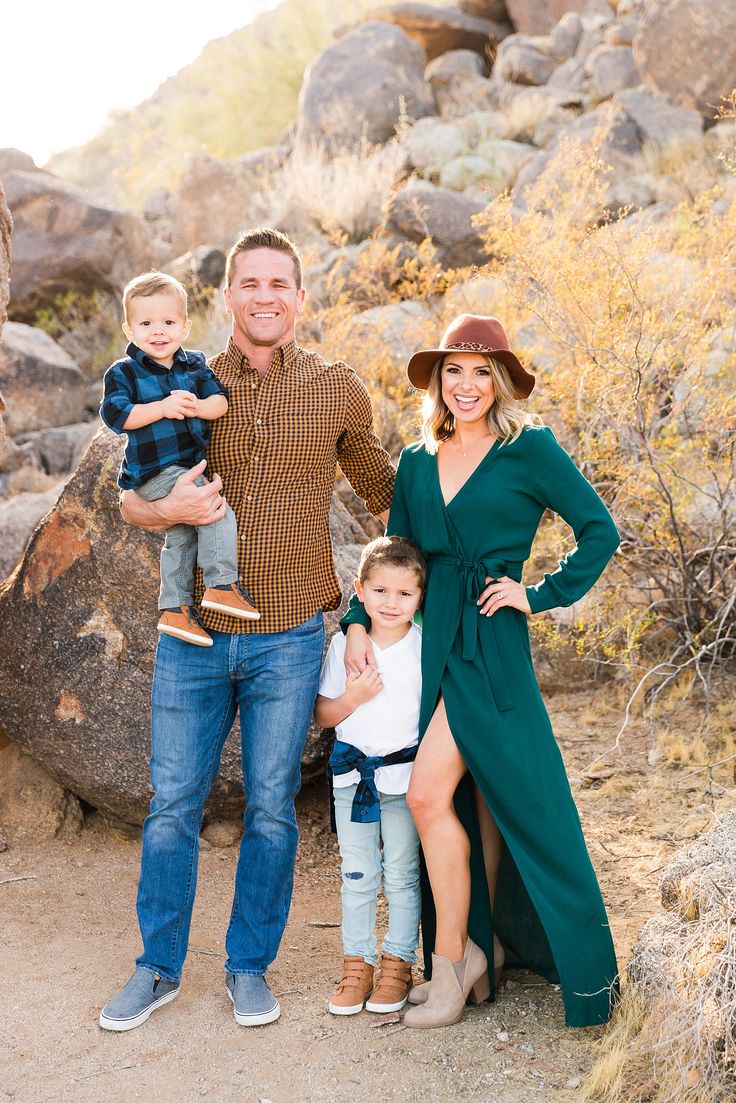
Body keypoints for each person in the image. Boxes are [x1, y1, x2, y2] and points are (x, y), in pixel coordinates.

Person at [99, 228, 395, 1032]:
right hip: (193, 633)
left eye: (280, 283)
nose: (265, 296)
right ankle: (157, 967)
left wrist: (377, 601)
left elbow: (386, 494)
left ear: (300, 298)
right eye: (249, 282)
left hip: (292, 634)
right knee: (172, 806)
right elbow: (128, 494)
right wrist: (167, 510)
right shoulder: (183, 379)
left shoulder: (337, 389)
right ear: (226, 297)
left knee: (270, 806)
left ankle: (247, 966)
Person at [343, 314, 620, 1030]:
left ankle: (458, 961)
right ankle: (481, 946)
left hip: (492, 645)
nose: (466, 385)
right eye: (453, 371)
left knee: (455, 795)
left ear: (500, 380)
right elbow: (393, 558)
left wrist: (539, 592)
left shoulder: (530, 449)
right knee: (463, 798)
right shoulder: (414, 459)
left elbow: (600, 529)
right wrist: (353, 622)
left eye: (480, 370)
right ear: (438, 380)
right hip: (434, 646)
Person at [100, 271, 260, 647]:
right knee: (214, 509)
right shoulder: (125, 373)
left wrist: (198, 407)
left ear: (185, 326)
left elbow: (220, 401)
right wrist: (163, 407)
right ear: (129, 329)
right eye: (146, 323)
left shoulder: (194, 366)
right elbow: (117, 416)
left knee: (183, 534)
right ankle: (221, 584)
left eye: (169, 322)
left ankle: (174, 609)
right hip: (154, 471)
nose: (159, 331)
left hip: (184, 468)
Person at [315, 536, 425, 1016]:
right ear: (359, 590)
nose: (391, 603)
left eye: (404, 594)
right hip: (352, 779)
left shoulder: (424, 646)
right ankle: (356, 963)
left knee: (402, 876)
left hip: (406, 782)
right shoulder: (344, 644)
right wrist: (354, 699)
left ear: (420, 597)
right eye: (380, 591)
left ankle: (398, 963)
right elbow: (322, 715)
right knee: (357, 875)